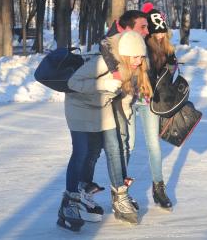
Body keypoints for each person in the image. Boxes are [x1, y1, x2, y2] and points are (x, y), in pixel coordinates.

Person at [61, 31, 152, 227]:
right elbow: (73, 83)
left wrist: (126, 112)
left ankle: (120, 197)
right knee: (82, 152)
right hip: (79, 107)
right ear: (126, 54)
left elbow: (126, 95)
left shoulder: (134, 68)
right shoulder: (103, 62)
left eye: (141, 56)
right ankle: (70, 201)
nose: (138, 60)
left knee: (114, 148)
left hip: (103, 107)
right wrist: (104, 83)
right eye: (135, 56)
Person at [101, 6, 175, 210]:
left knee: (154, 144)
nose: (159, 36)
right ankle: (121, 191)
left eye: (163, 32)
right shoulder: (134, 40)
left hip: (148, 100)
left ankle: (159, 188)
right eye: (155, 31)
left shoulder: (163, 48)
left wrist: (170, 68)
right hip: (127, 98)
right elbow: (107, 45)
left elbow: (165, 75)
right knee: (129, 144)